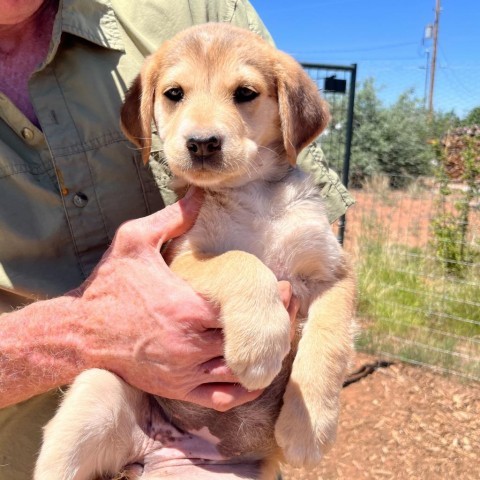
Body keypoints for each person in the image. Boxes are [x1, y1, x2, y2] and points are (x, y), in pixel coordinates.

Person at [0, 0, 354, 478]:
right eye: (175, 94)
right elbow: (189, 264)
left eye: (244, 93)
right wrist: (243, 279)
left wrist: (317, 382)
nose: (203, 131)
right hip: (131, 416)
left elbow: (334, 282)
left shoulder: (190, 6)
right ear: (147, 110)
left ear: (290, 112)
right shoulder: (198, 205)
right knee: (93, 398)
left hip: (239, 453)